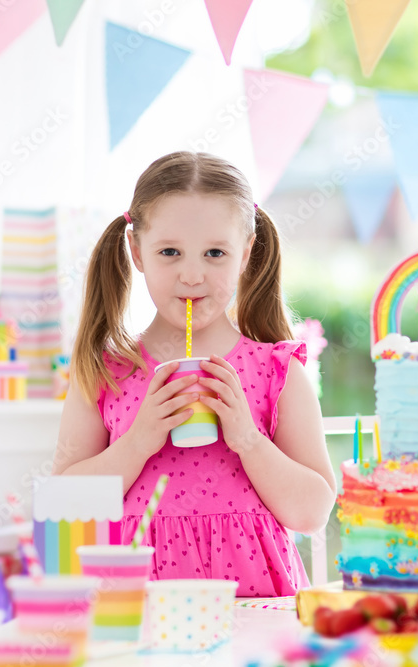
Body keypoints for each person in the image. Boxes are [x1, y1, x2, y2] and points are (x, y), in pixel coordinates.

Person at [52, 151, 336, 596]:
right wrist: (138, 442)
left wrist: (247, 438)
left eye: (214, 253)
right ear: (136, 252)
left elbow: (312, 512)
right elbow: (67, 506)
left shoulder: (277, 372)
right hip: (137, 604)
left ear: (245, 253)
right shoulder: (105, 373)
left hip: (254, 600)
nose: (191, 275)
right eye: (169, 252)